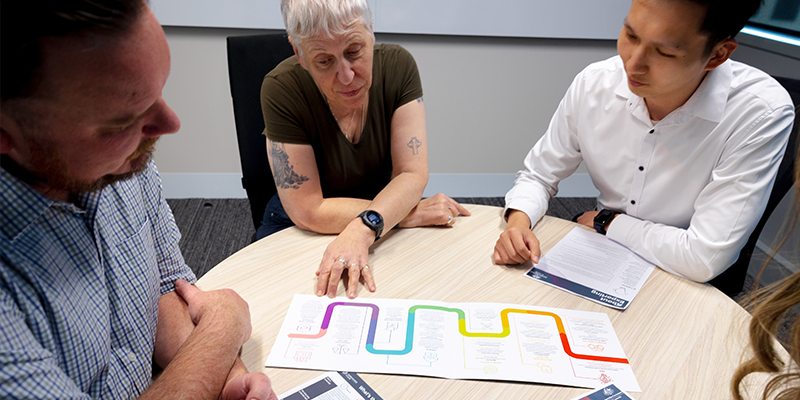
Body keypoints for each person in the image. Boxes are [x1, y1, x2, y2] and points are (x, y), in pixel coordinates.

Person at [0, 1, 277, 399]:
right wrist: (222, 331)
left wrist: (229, 376)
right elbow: (214, 319)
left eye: (160, 91)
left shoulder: (121, 162)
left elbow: (168, 289)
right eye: (123, 121)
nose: (169, 125)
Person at [494, 0, 795, 291]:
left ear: (718, 55)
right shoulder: (595, 83)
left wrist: (609, 221)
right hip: (601, 243)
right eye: (630, 35)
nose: (633, 64)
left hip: (684, 276)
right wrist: (518, 223)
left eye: (663, 52)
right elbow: (539, 175)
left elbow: (704, 258)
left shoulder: (760, 112)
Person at [261, 0, 470, 299]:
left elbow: (412, 174)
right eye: (324, 61)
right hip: (307, 222)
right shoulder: (281, 88)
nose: (346, 76)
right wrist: (396, 215)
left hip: (383, 212)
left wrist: (364, 228)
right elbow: (309, 210)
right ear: (299, 54)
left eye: (354, 51)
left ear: (370, 31)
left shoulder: (398, 66)